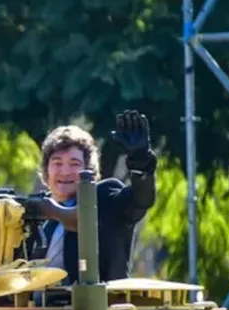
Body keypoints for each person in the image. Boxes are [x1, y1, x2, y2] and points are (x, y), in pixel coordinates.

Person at [27, 110, 157, 286]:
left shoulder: (105, 198)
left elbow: (141, 199)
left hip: (97, 309)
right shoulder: (35, 213)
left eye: (74, 164)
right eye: (57, 163)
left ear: (89, 170)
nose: (65, 172)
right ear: (46, 170)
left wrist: (141, 162)